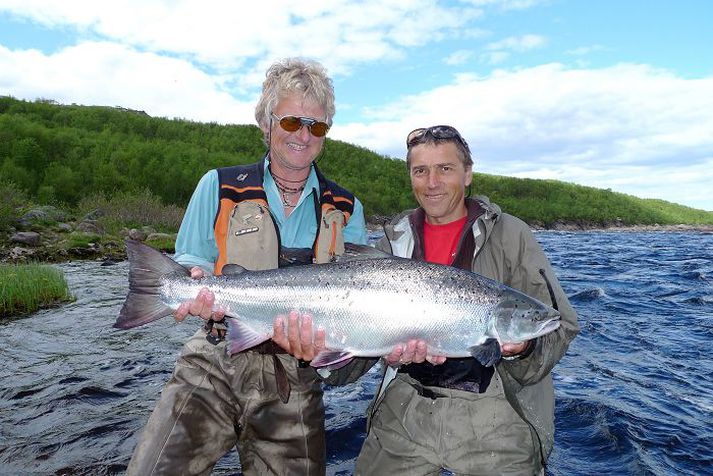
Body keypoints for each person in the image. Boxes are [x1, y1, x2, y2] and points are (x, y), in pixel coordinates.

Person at [126, 58, 368, 476]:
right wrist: (191, 285)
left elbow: (362, 308)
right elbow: (192, 261)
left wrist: (335, 356)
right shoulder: (219, 186)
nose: (304, 135)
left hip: (298, 376)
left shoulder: (347, 209)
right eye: (292, 122)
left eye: (317, 126)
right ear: (267, 122)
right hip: (215, 359)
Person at [353, 125, 580, 475]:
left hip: (497, 414)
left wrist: (524, 349)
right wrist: (320, 353)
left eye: (445, 168)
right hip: (405, 404)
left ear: (468, 174)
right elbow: (344, 365)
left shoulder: (512, 235)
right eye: (420, 171)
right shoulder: (389, 246)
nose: (432, 182)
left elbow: (561, 326)